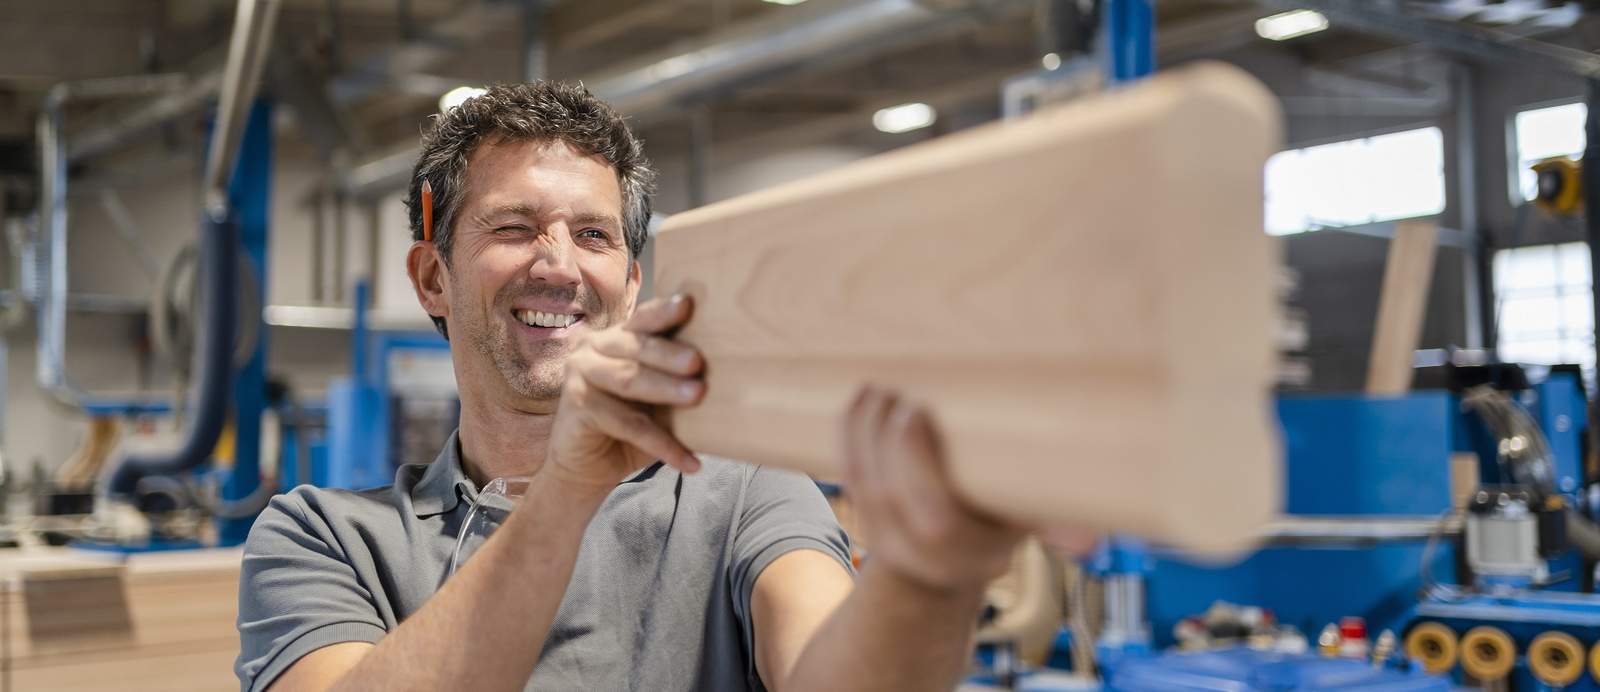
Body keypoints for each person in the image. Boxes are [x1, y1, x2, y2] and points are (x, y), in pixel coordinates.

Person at [235, 81, 1092, 692]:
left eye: (594, 235)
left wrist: (930, 573)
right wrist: (567, 487)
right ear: (431, 278)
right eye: (515, 227)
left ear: (633, 282)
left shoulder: (746, 495)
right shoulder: (324, 537)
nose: (559, 264)